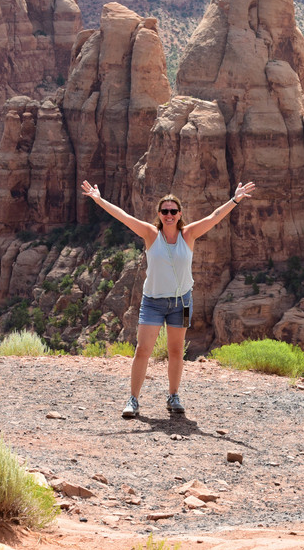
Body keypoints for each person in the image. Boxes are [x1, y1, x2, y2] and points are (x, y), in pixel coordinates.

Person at [80, 179, 255, 418]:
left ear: (180, 214)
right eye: (165, 211)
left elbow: (214, 217)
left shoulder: (189, 234)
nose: (169, 215)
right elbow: (124, 217)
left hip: (181, 304)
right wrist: (99, 200)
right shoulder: (151, 235)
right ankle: (133, 399)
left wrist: (235, 199)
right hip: (153, 302)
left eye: (173, 211)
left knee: (175, 351)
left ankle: (173, 396)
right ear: (160, 214)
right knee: (143, 350)